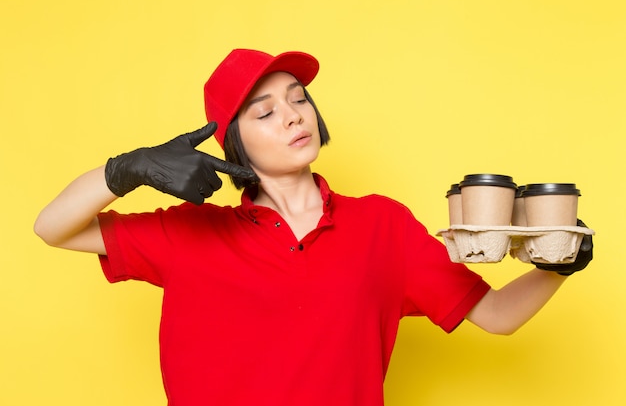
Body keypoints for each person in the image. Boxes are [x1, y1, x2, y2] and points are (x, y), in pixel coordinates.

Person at [34, 48, 593, 406]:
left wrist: (558, 262)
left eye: (298, 99)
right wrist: (126, 170)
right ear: (233, 142)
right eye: (266, 111)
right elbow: (53, 227)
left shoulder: (382, 224)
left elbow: (496, 316)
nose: (294, 115)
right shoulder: (191, 234)